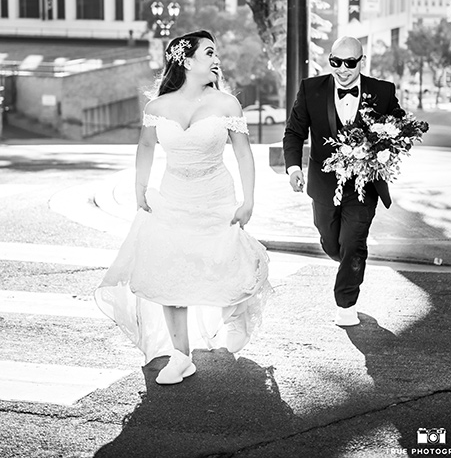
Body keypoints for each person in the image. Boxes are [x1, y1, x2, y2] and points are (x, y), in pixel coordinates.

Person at [95, 30, 270, 384]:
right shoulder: (157, 107)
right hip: (173, 197)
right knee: (169, 272)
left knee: (223, 263)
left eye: (215, 52)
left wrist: (248, 199)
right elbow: (145, 147)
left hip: (216, 196)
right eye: (209, 52)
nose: (216, 57)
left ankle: (233, 312)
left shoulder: (226, 104)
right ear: (187, 61)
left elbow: (243, 154)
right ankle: (180, 355)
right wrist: (139, 188)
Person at [283, 36, 403, 327]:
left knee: (354, 241)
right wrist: (292, 168)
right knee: (331, 241)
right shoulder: (310, 89)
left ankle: (345, 304)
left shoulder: (382, 91)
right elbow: (294, 132)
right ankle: (347, 259)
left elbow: (399, 126)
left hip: (364, 185)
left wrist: (385, 143)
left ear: (361, 61)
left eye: (350, 63)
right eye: (336, 62)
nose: (343, 69)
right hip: (323, 184)